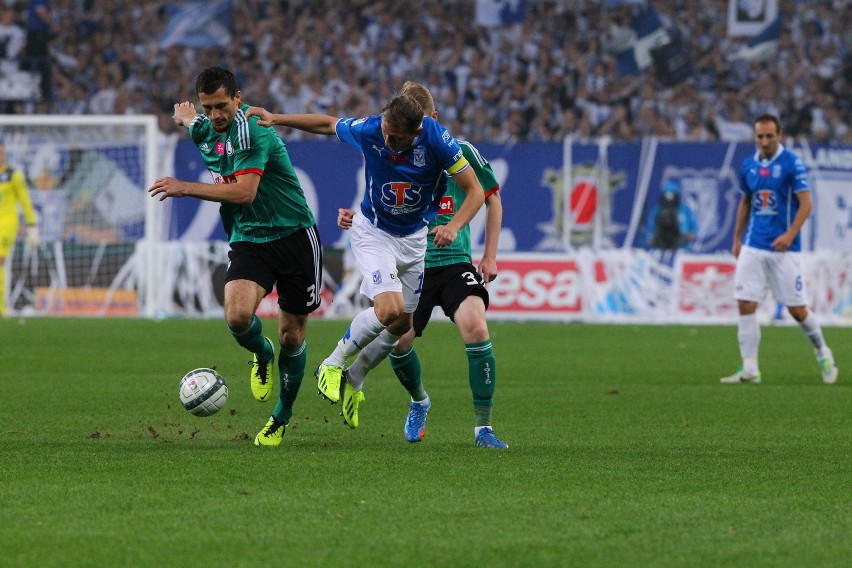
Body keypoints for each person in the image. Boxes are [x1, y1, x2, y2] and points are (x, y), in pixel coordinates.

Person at [246, 92, 485, 431]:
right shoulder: (372, 129)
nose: (386, 140)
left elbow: (475, 191)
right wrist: (278, 118)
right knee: (388, 310)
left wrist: (454, 225)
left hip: (414, 240)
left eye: (395, 136)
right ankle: (332, 363)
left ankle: (355, 379)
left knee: (402, 325)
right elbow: (328, 124)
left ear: (417, 131)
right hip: (374, 232)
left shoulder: (438, 142)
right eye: (385, 131)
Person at [148, 67, 323, 447]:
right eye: (208, 108)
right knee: (237, 315)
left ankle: (282, 416)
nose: (216, 116)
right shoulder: (206, 128)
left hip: (294, 237)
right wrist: (186, 117)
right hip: (249, 239)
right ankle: (262, 355)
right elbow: (194, 123)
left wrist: (185, 187)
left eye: (223, 106)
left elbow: (245, 193)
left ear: (238, 99)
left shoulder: (253, 132)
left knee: (292, 335)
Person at [337, 81, 508, 448]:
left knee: (476, 327)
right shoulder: (390, 146)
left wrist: (489, 254)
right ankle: (418, 401)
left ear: (430, 120)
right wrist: (360, 219)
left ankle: (484, 428)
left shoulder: (458, 152)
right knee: (399, 342)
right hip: (407, 260)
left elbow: (492, 198)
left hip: (451, 261)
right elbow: (384, 195)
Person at [720, 114, 838, 385]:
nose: (764, 141)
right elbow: (745, 203)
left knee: (797, 311)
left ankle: (822, 349)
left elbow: (806, 204)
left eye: (769, 136)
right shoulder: (748, 165)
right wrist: (737, 239)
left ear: (779, 134)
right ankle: (750, 369)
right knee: (745, 303)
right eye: (759, 136)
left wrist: (790, 234)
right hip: (754, 245)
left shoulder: (792, 163)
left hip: (785, 249)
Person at [0, 143, 40, 317]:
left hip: (6, 225)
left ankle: (2, 307)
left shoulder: (13, 176)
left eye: (2, 152)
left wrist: (32, 225)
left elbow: (25, 201)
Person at [645, 179, 698, 251]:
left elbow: (694, 229)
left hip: (682, 248)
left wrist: (687, 236)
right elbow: (650, 230)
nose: (669, 201)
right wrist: (653, 238)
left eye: (672, 196)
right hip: (659, 248)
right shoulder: (656, 210)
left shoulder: (685, 209)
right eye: (666, 196)